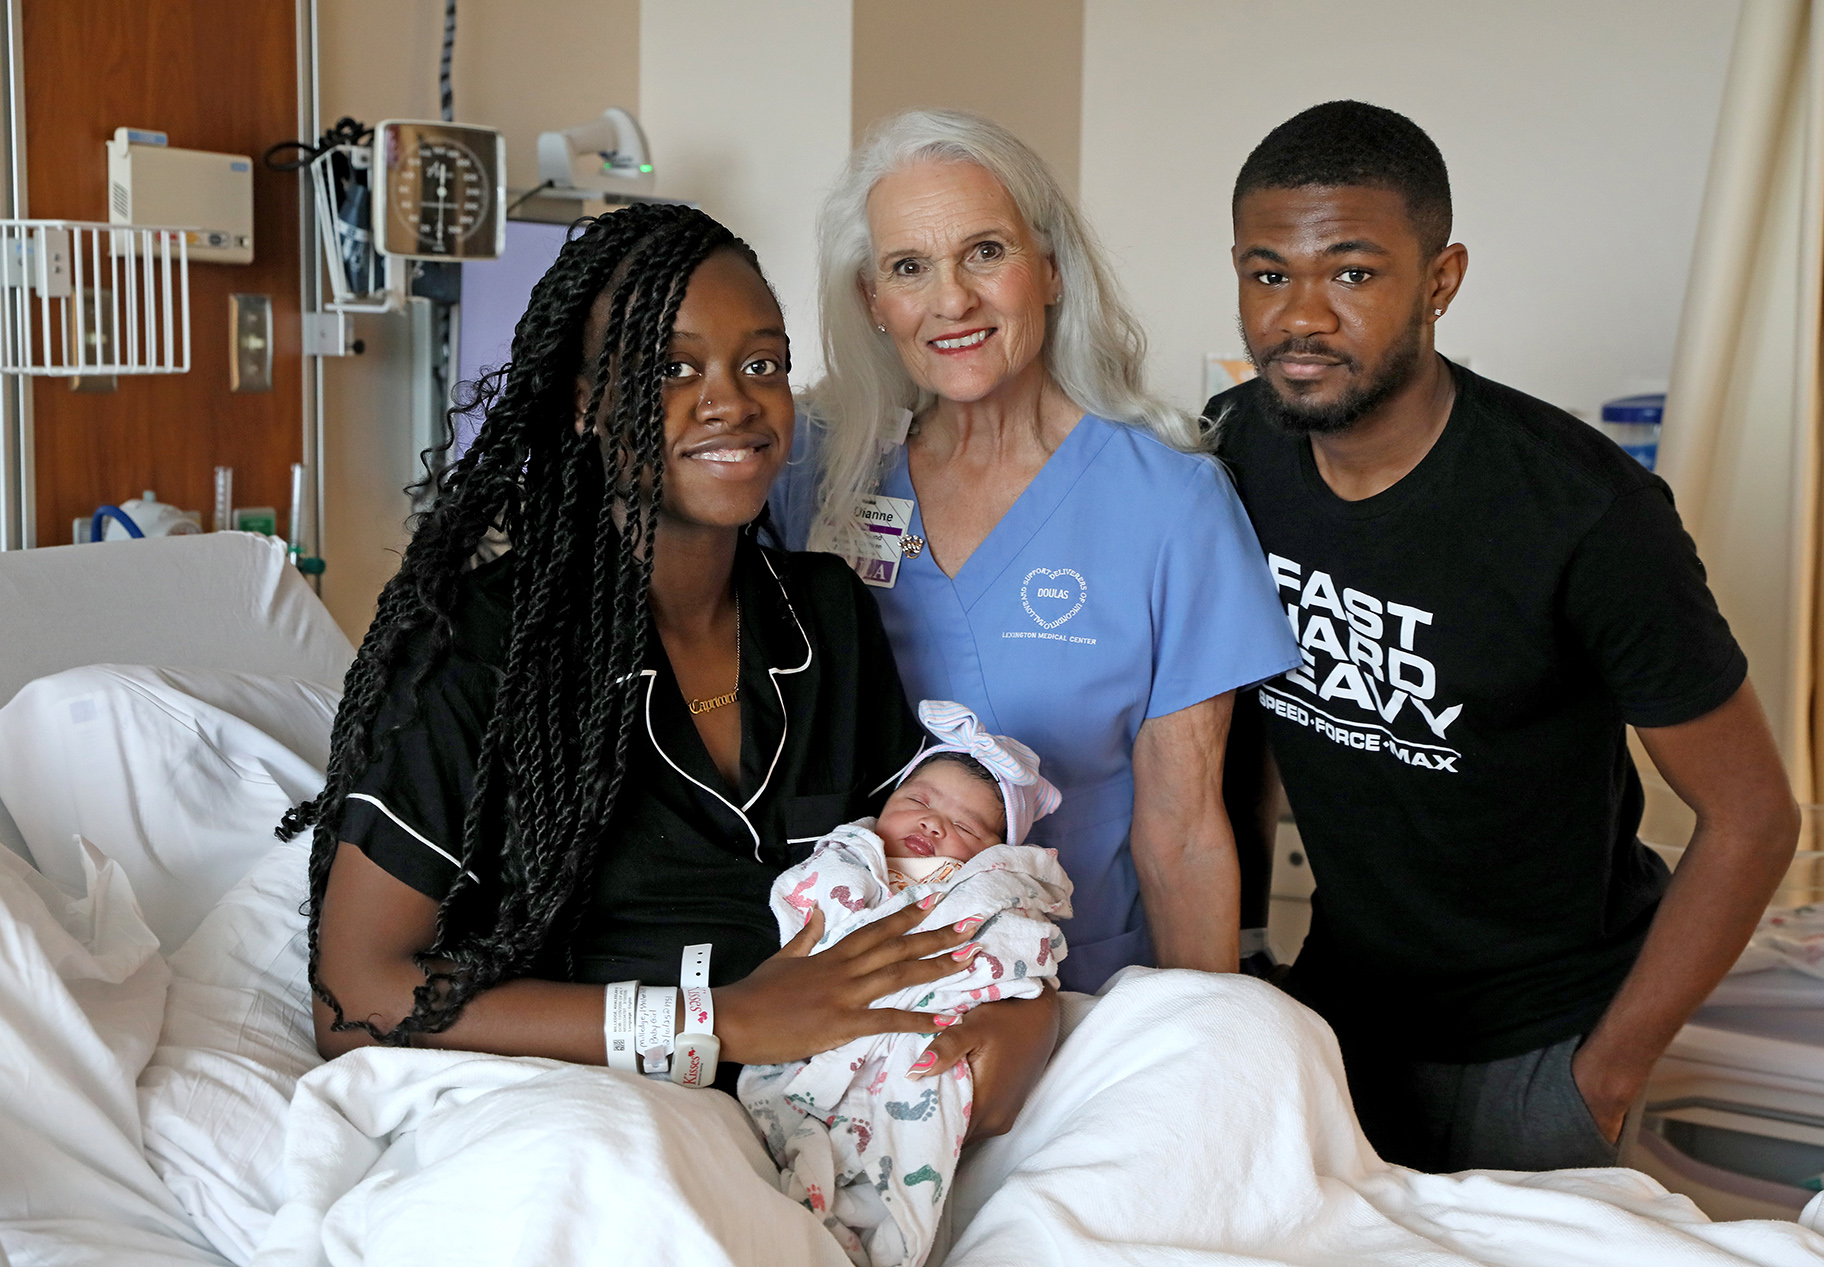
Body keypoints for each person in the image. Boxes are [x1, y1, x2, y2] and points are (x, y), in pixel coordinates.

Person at [281, 203, 1059, 1143]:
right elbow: (355, 996)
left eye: (762, 364)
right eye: (670, 368)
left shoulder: (827, 613)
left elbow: (926, 876)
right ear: (583, 397)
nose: (731, 400)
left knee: (1218, 1037)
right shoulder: (476, 648)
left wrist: (1021, 1015)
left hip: (851, 1091)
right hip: (603, 1114)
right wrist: (720, 1022)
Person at [1207, 101, 1801, 1171]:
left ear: (1439, 280)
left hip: (1543, 1042)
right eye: (1266, 273)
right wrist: (1247, 949)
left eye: (1351, 272)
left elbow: (1753, 816)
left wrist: (1603, 1076)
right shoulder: (1233, 453)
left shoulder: (1582, 511)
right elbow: (1227, 727)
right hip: (1335, 1008)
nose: (1299, 316)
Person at [772, 110, 1300, 992]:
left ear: (1050, 269)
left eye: (985, 252)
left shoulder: (1169, 501)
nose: (952, 300)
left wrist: (1198, 1046)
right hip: (847, 997)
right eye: (909, 267)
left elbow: (1182, 831)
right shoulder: (817, 477)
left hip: (1080, 992)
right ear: (874, 299)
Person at [740, 701, 1069, 1267]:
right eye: (917, 800)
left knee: (892, 1186)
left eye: (965, 827)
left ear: (997, 855)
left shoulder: (986, 891)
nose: (933, 823)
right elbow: (803, 922)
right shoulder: (851, 863)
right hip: (811, 1036)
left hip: (913, 1055)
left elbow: (1018, 954)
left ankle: (881, 1237)